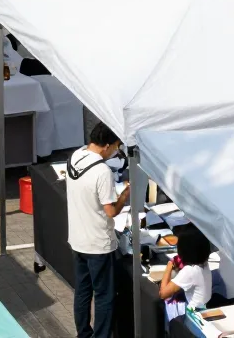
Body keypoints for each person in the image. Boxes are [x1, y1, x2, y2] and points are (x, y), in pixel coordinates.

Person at [67, 122, 130, 338]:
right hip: (98, 244)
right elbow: (111, 211)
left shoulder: (76, 156)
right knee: (104, 295)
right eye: (115, 147)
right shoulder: (102, 171)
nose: (115, 152)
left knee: (83, 291)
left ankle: (83, 333)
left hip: (77, 238)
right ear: (107, 146)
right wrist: (124, 196)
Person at [160, 225, 213, 329]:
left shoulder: (189, 271)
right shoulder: (204, 264)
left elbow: (163, 294)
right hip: (204, 310)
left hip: (193, 317)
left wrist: (169, 266)